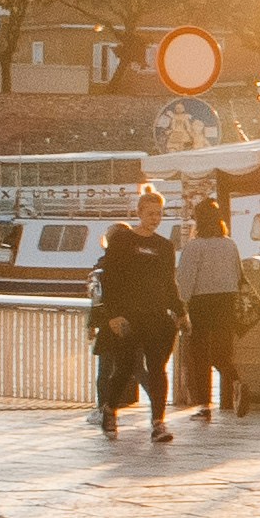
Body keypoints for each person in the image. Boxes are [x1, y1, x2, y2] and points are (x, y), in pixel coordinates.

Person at [88, 184, 183, 443]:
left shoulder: (165, 246)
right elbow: (110, 281)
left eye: (159, 214)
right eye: (151, 213)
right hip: (128, 316)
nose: (155, 219)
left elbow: (169, 282)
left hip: (156, 316)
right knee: (125, 366)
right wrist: (113, 315)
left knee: (157, 369)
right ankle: (109, 409)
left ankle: (158, 423)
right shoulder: (123, 241)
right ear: (139, 212)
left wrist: (180, 311)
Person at [174, 189, 250, 419]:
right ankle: (236, 381)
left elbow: (185, 280)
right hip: (226, 302)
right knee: (221, 353)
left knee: (199, 355)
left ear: (199, 220)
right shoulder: (229, 244)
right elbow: (239, 274)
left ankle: (204, 406)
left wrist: (180, 309)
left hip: (201, 304)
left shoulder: (195, 246)